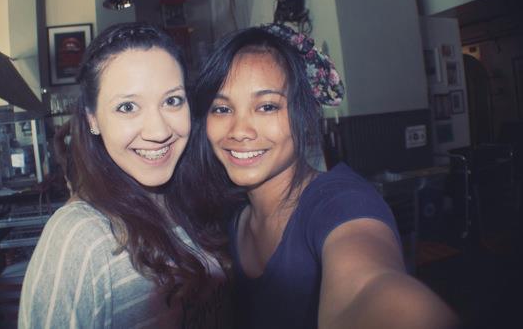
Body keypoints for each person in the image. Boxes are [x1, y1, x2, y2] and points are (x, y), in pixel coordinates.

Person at [188, 24, 459, 329]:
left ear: (305, 117)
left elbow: (368, 288)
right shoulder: (232, 216)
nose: (239, 131)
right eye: (222, 109)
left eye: (266, 106)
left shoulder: (341, 202)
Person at [19, 23, 232, 328]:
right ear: (93, 119)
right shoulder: (78, 237)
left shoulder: (193, 198)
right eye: (128, 107)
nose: (158, 131)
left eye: (172, 100)